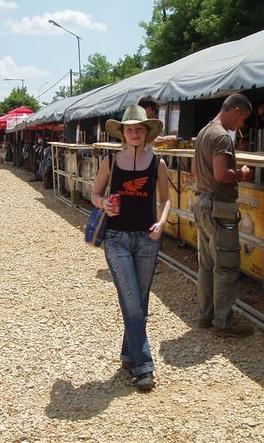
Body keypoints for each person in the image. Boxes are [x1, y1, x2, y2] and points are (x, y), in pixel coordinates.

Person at [91, 105, 171, 391]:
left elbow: (166, 199)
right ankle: (144, 366)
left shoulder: (158, 163)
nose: (135, 133)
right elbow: (94, 194)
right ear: (122, 133)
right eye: (130, 129)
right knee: (132, 301)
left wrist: (162, 222)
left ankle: (128, 354)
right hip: (116, 239)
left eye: (139, 129)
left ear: (147, 132)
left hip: (148, 239)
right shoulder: (110, 162)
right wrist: (104, 203)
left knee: (140, 301)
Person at [193, 94, 254, 338]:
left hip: (202, 202)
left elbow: (199, 170)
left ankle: (205, 316)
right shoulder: (221, 136)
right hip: (219, 207)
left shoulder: (204, 132)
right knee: (226, 266)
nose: (242, 125)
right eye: (243, 119)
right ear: (236, 111)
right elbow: (221, 174)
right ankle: (224, 323)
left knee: (207, 265)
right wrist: (242, 174)